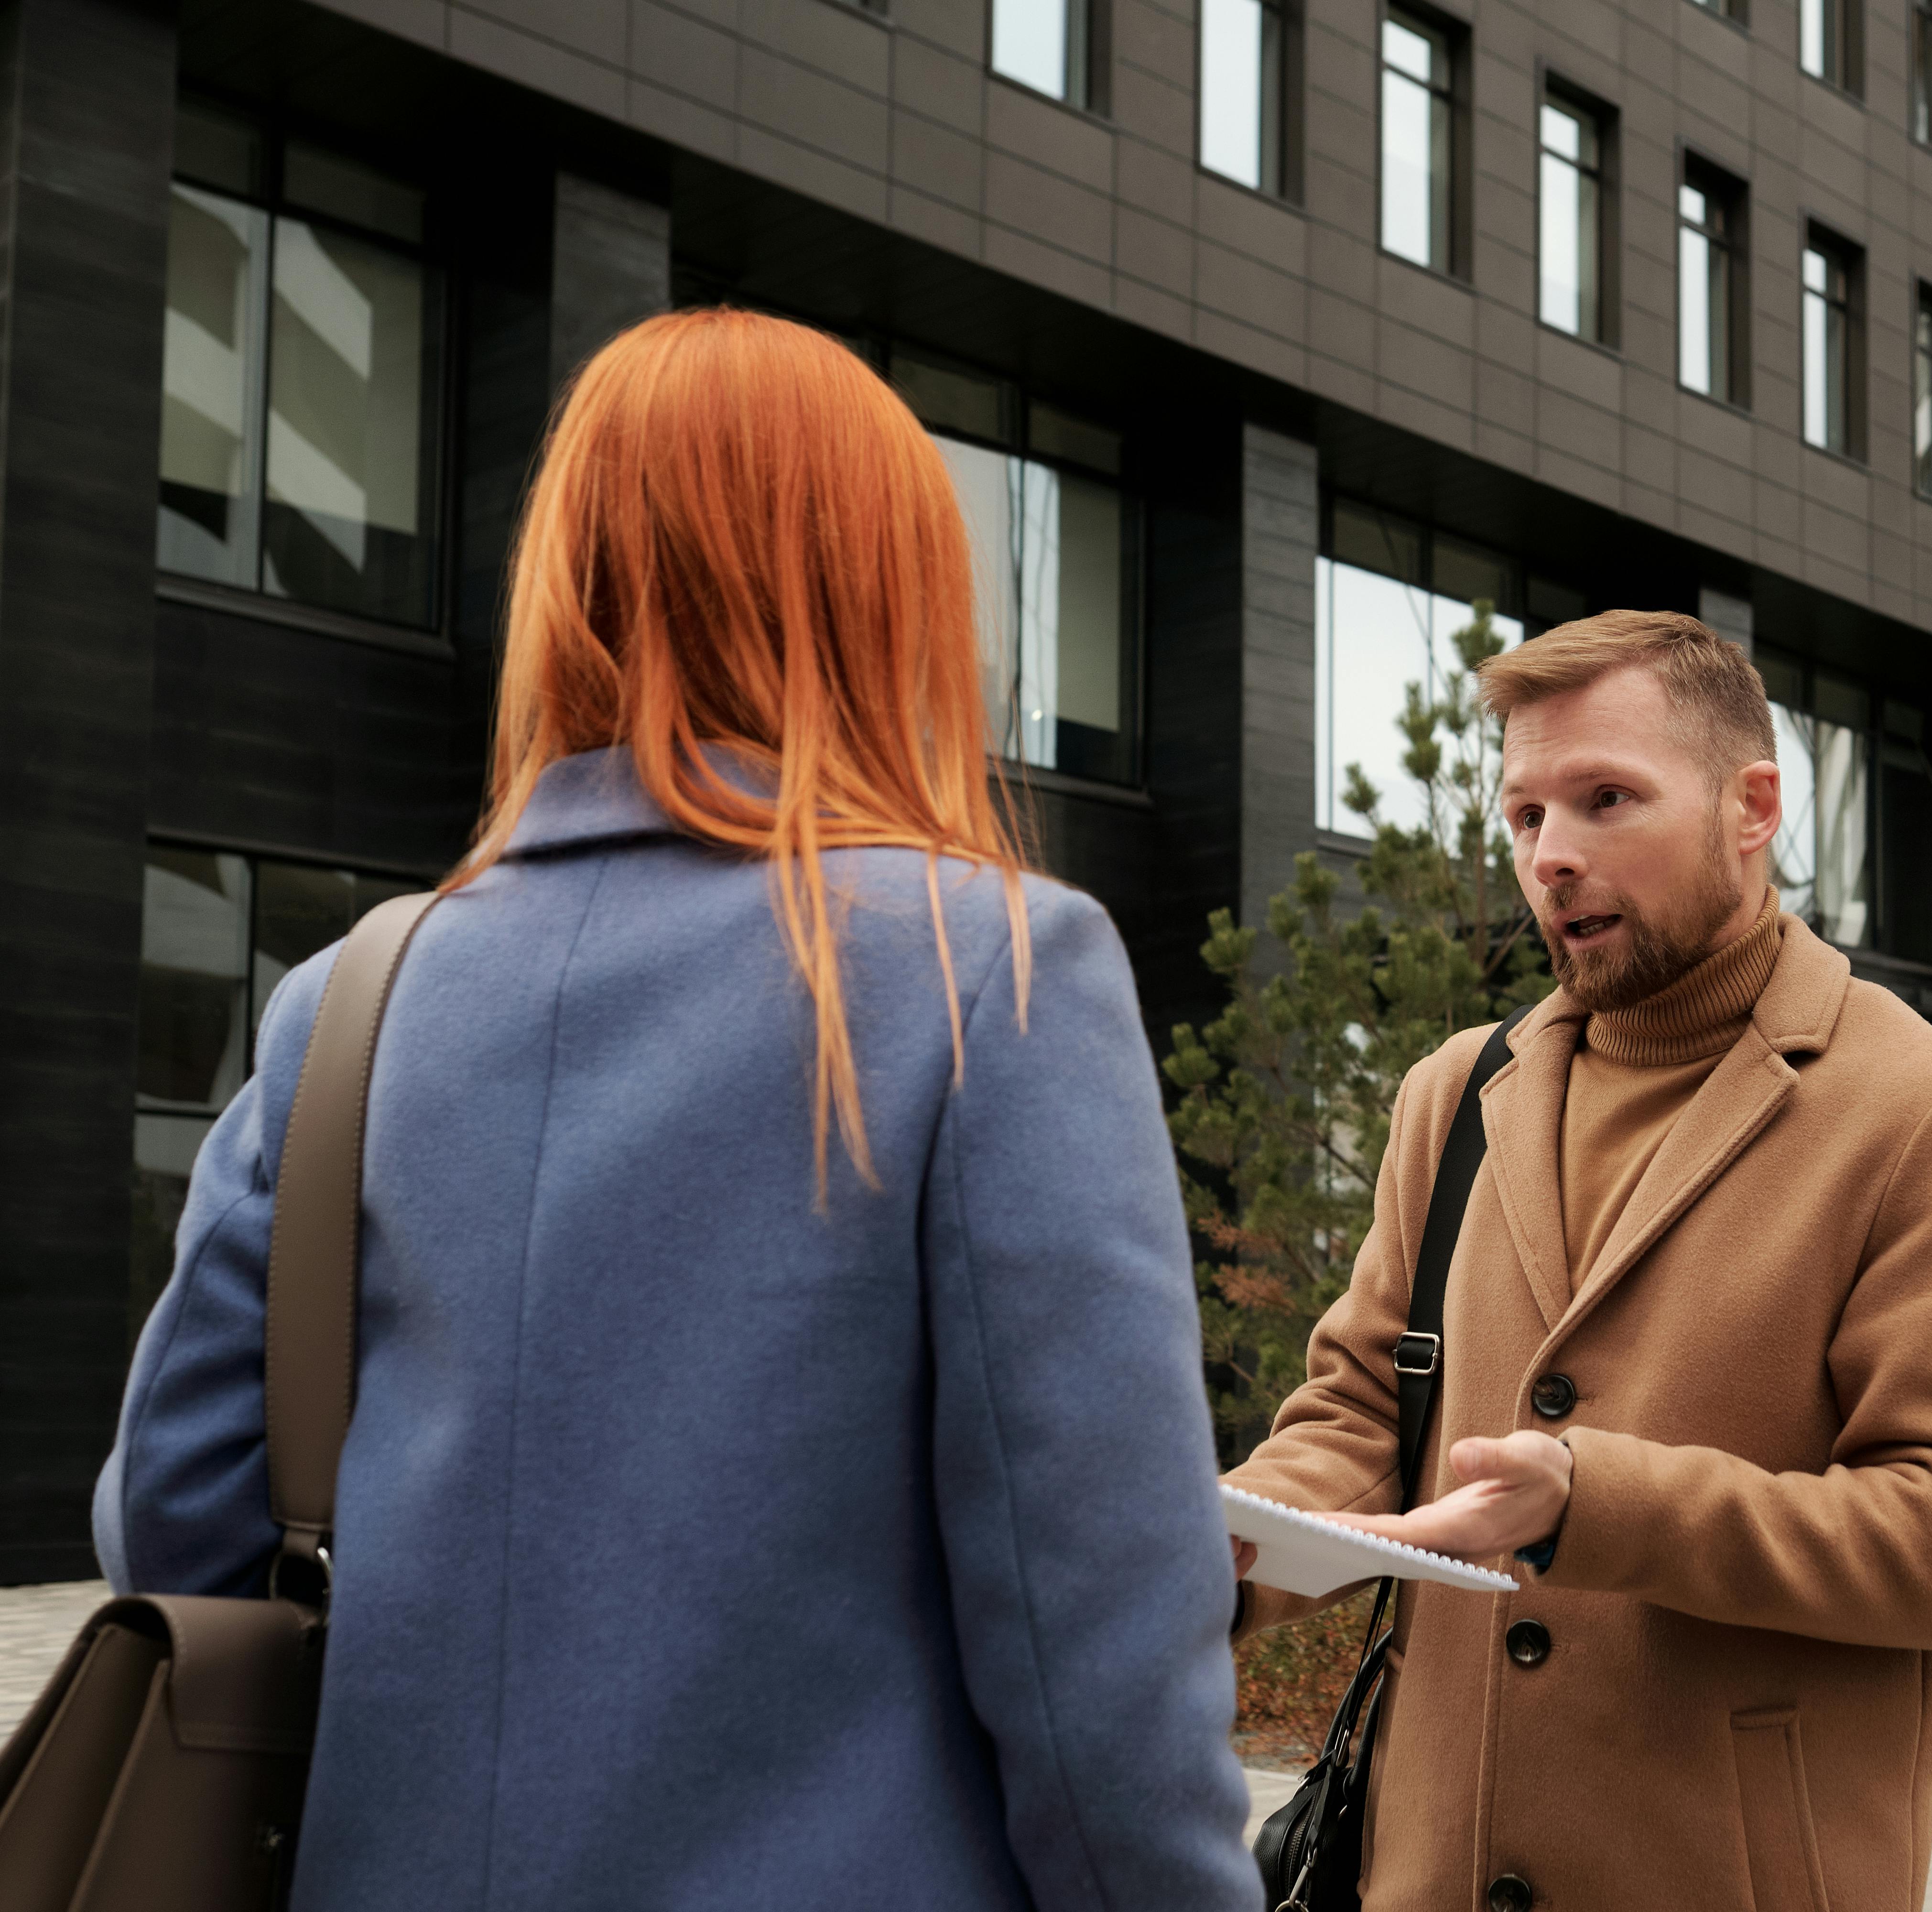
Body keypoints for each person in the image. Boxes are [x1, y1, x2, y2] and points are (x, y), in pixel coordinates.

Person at [93, 309, 1258, 1912]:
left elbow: (172, 1522)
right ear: (885, 594)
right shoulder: (989, 966)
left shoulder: (352, 999)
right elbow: (1099, 1660)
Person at [1226, 609, 1932, 1912]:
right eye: (1524, 816)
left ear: (1752, 807)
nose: (1552, 857)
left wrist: (1593, 1504)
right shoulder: (1457, 1092)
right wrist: (1217, 1561)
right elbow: (1360, 1418)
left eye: (1607, 799)